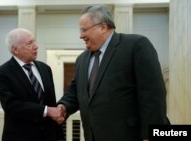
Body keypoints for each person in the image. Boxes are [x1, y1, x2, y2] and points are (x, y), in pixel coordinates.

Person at [56, 5, 170, 141]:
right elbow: (76, 91)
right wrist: (63, 106)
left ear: (103, 27)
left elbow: (153, 95)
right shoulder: (82, 59)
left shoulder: (135, 45)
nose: (81, 36)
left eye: (84, 30)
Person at [0, 28, 63, 141]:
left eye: (34, 41)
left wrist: (59, 136)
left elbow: (51, 102)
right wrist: (46, 110)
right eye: (30, 43)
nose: (36, 46)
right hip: (20, 136)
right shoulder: (2, 73)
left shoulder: (45, 69)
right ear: (15, 49)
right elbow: (11, 106)